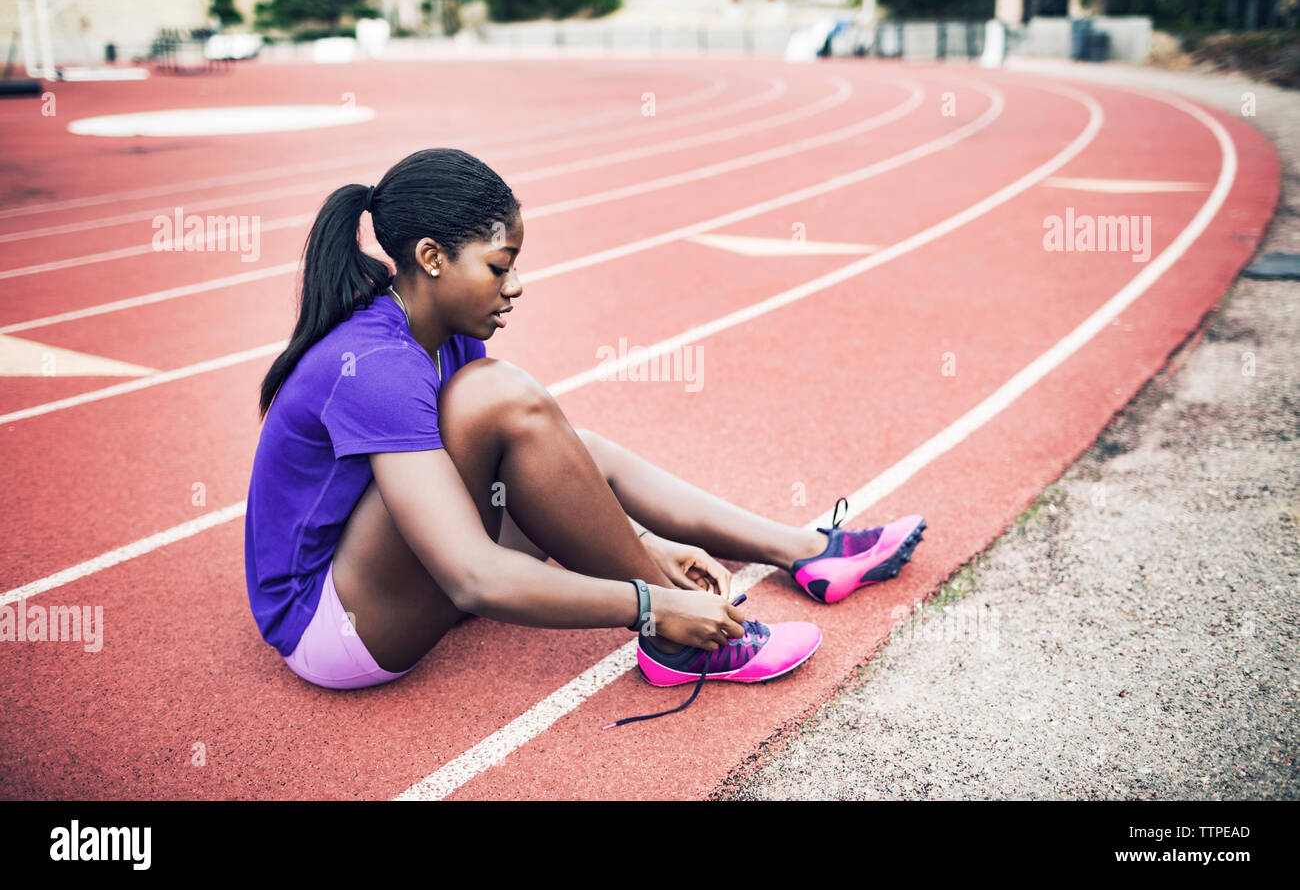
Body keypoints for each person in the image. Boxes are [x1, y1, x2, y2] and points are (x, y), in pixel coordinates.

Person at [244, 147, 925, 719]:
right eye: (498, 266)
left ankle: (804, 550)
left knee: (549, 440)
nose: (514, 287)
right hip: (334, 630)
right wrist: (648, 602)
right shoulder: (377, 365)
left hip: (390, 573)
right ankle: (676, 637)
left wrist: (650, 547)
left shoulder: (443, 337)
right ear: (430, 257)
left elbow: (542, 482)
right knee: (502, 398)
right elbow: (473, 578)